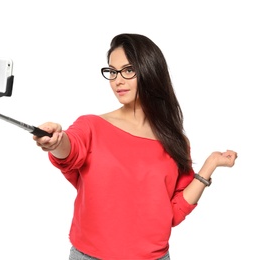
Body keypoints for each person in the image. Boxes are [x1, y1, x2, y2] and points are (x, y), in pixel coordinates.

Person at [33, 33, 238, 260]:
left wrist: (210, 165)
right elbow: (70, 151)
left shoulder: (175, 141)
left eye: (128, 70)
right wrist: (57, 142)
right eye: (112, 71)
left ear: (150, 71)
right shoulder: (91, 126)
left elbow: (174, 212)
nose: (117, 80)